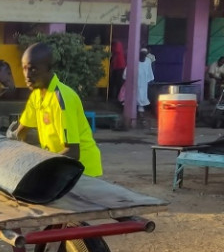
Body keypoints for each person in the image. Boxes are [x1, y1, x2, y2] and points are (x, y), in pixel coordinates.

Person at [8, 42, 102, 177]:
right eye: (24, 68)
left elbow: (73, 152)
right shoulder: (36, 94)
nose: (27, 75)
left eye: (33, 69)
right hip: (61, 165)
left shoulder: (62, 99)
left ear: (49, 68)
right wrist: (11, 139)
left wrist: (39, 165)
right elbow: (22, 131)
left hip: (83, 171)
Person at [122, 49, 154, 115]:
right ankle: (131, 109)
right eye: (142, 54)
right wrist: (126, 76)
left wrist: (150, 79)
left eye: (144, 55)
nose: (143, 56)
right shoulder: (134, 60)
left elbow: (149, 70)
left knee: (142, 95)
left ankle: (140, 108)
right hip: (134, 80)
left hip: (143, 81)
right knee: (133, 93)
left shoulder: (148, 61)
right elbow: (128, 68)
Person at [109, 41, 126, 105]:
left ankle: (118, 97)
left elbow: (115, 56)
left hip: (119, 66)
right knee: (114, 82)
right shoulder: (117, 45)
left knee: (117, 82)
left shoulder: (117, 44)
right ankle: (114, 96)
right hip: (117, 66)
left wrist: (112, 66)